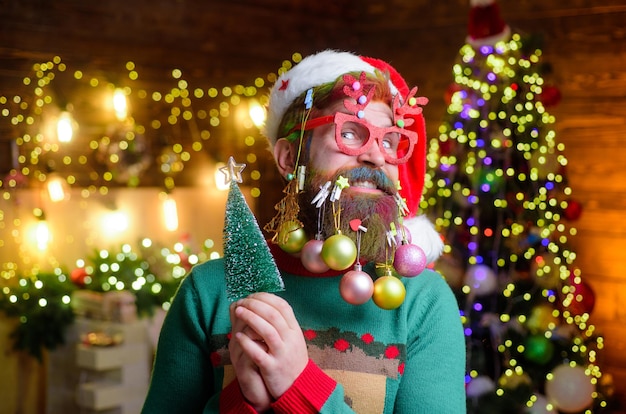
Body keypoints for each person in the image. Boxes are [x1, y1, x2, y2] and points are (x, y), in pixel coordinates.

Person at [142, 50, 466, 413]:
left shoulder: (423, 300)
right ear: (287, 158)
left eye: (390, 141)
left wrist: (298, 387)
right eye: (350, 133)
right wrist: (242, 399)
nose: (377, 157)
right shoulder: (208, 292)